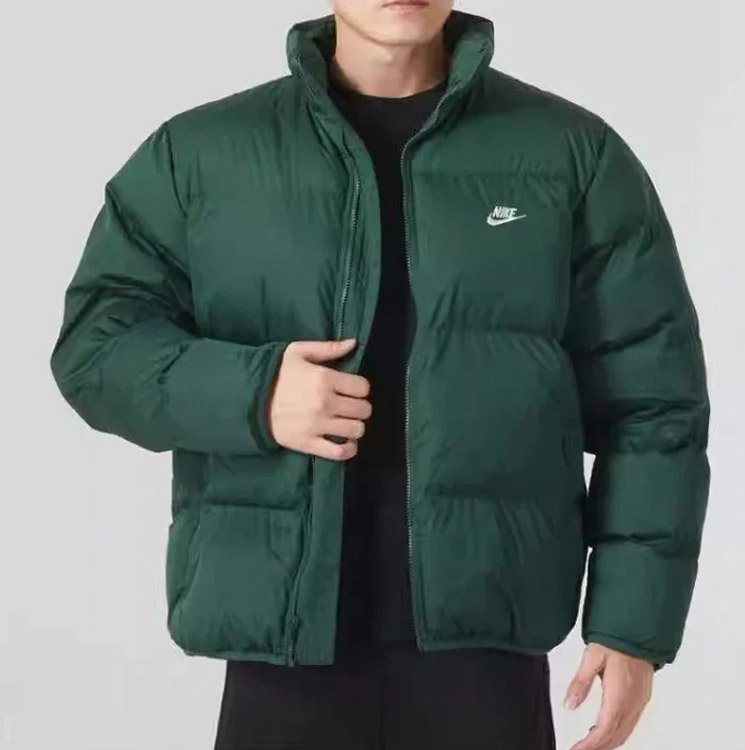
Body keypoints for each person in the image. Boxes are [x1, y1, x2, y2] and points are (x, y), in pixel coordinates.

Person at [49, 2, 710, 749]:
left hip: (486, 652)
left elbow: (655, 405)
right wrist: (255, 394)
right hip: (283, 647)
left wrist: (631, 623)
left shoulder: (569, 154)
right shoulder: (199, 156)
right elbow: (96, 349)